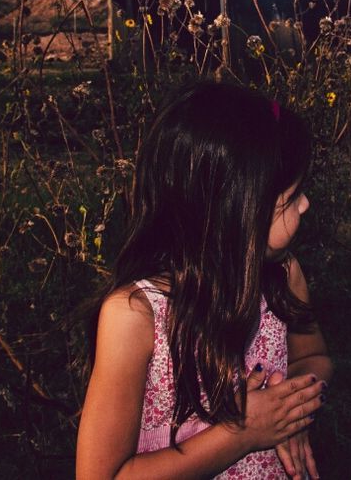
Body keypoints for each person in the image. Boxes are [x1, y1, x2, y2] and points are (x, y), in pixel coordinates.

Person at [77, 80, 333, 479]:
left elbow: (313, 357)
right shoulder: (135, 317)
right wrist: (244, 433)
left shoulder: (282, 278)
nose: (306, 203)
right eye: (291, 196)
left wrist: (287, 409)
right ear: (234, 213)